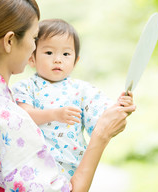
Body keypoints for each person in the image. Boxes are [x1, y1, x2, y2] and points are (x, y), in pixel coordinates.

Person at [0, 0, 136, 192]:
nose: (34, 47)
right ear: (9, 41)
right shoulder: (10, 120)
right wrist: (101, 135)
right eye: (34, 39)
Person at [12, 19, 134, 179]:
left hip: (71, 169)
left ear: (75, 61)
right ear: (32, 58)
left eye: (66, 54)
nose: (58, 59)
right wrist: (55, 115)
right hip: (34, 168)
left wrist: (121, 106)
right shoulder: (26, 87)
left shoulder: (82, 90)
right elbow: (23, 115)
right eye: (49, 53)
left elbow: (104, 119)